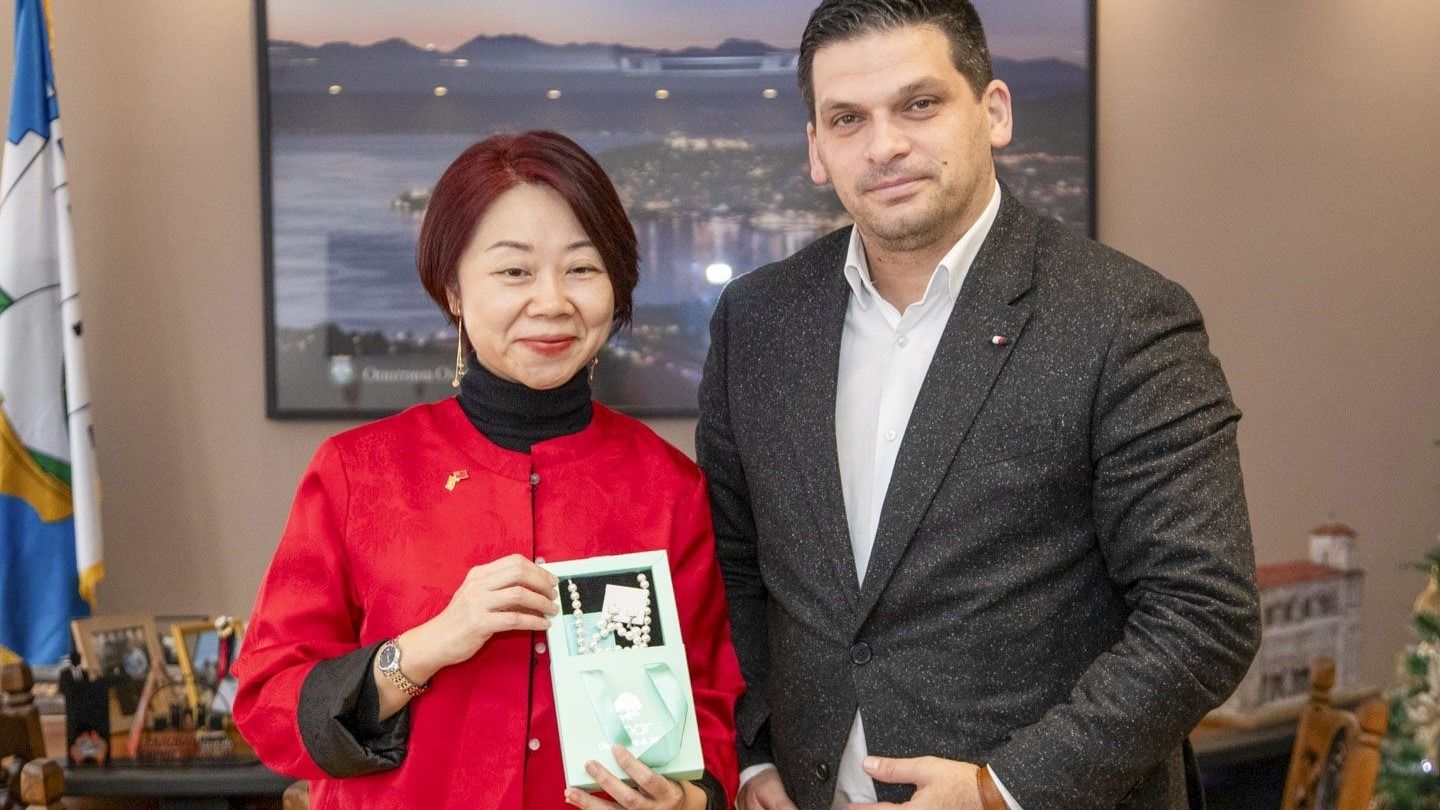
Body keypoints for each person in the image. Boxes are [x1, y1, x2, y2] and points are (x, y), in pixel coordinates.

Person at [696, 2, 1261, 808]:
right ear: (817, 148)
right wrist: (754, 756)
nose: (884, 145)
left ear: (993, 112)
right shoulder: (758, 320)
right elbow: (735, 562)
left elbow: (1205, 614)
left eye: (919, 104)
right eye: (848, 119)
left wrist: (1002, 790)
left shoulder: (1123, 319)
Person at [235, 131, 744, 810]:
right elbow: (269, 705)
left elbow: (713, 702)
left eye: (582, 268)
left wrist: (689, 799)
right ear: (453, 288)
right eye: (514, 272)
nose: (553, 302)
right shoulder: (360, 472)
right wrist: (426, 646)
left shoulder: (668, 487)